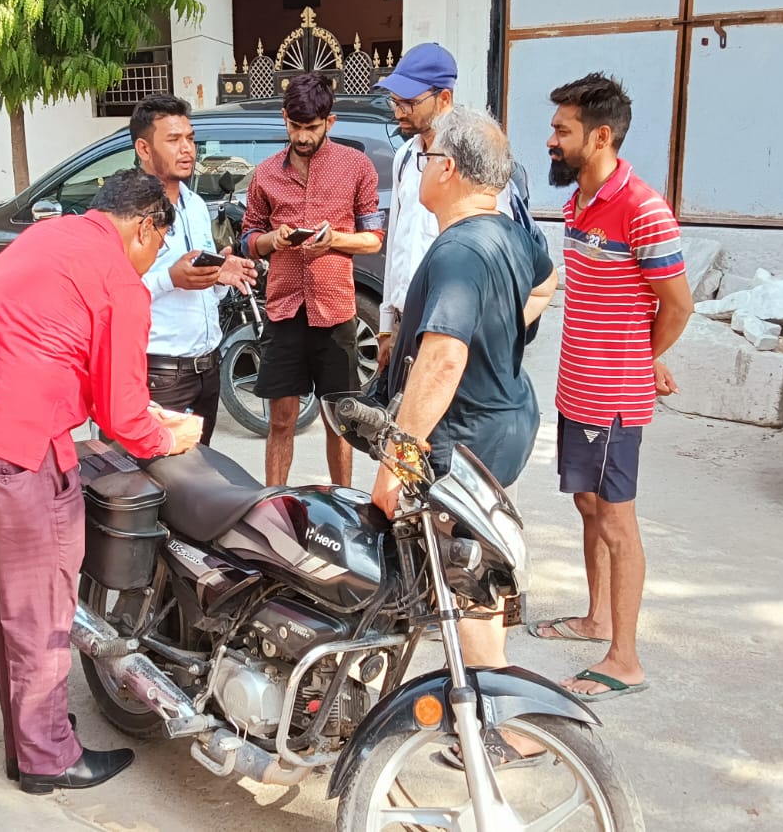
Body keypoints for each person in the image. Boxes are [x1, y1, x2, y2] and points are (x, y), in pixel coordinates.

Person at [0, 169, 203, 795]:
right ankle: (46, 757)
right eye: (161, 244)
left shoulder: (44, 238)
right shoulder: (119, 281)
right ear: (144, 227)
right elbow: (125, 417)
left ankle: (28, 738)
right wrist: (170, 437)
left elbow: (48, 349)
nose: (156, 258)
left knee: (13, 600)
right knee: (45, 611)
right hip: (17, 451)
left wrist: (129, 413)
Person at [368, 108, 557, 766]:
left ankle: (502, 728)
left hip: (465, 434)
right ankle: (489, 701)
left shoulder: (460, 250)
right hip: (506, 418)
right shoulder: (508, 233)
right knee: (474, 566)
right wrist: (503, 327)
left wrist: (394, 464)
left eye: (427, 160)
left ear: (446, 168)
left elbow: (443, 360)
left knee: (460, 578)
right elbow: (546, 281)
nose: (422, 169)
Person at [525, 73, 694, 703]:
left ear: (600, 137)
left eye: (562, 130)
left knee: (617, 521)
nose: (551, 140)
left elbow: (678, 305)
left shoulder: (642, 209)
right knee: (587, 504)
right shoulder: (580, 201)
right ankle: (597, 618)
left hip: (612, 394)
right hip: (578, 385)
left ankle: (625, 659)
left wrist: (643, 359)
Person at [239, 72, 384, 486]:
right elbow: (248, 238)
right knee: (281, 420)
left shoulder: (356, 167)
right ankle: (272, 506)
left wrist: (335, 240)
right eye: (295, 126)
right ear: (285, 119)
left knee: (341, 422)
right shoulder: (265, 173)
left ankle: (344, 503)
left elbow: (374, 239)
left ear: (329, 122)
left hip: (335, 312)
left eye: (312, 127)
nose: (302, 137)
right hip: (284, 312)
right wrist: (271, 240)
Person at [375, 43, 538, 368]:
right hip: (408, 322)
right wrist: (387, 325)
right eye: (395, 101)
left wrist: (492, 332)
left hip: (458, 328)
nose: (399, 112)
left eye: (409, 103)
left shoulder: (477, 158)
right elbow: (396, 243)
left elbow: (499, 247)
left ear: (444, 98)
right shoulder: (405, 157)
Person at [132, 94, 258, 444]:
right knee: (153, 471)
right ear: (144, 148)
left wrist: (219, 276)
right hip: (157, 372)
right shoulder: (127, 211)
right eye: (173, 140)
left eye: (190, 138)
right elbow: (112, 293)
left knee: (200, 469)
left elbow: (203, 290)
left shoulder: (196, 204)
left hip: (206, 368)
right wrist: (169, 279)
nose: (187, 149)